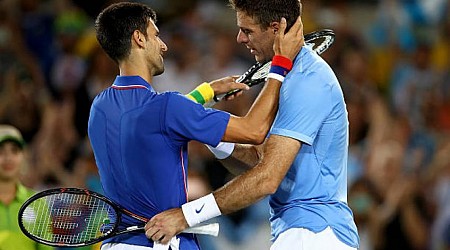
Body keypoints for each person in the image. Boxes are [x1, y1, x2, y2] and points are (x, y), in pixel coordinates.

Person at [145, 0, 360, 250]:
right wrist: (207, 130)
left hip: (313, 235)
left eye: (247, 31)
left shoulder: (307, 81)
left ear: (275, 29)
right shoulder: (286, 78)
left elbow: (268, 177)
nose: (239, 39)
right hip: (301, 232)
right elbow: (260, 160)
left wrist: (186, 216)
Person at [88, 2, 303, 250]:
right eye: (156, 35)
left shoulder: (100, 107)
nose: (163, 45)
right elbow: (254, 130)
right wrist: (280, 66)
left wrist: (207, 92)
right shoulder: (167, 107)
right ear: (139, 38)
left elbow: (150, 123)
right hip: (160, 243)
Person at [0, 125, 53, 250]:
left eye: (14, 151)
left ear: (23, 156)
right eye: (0, 151)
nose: (8, 158)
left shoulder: (37, 203)